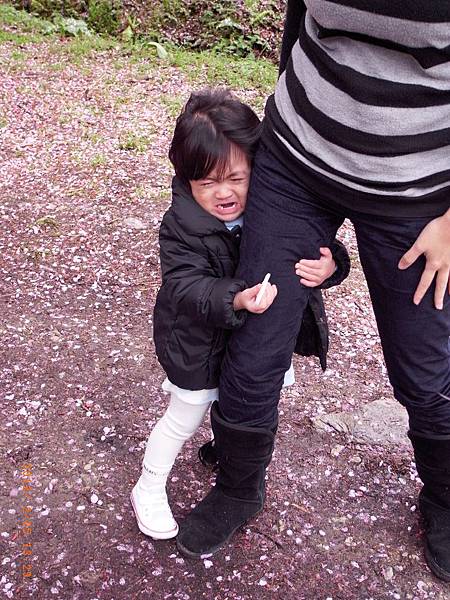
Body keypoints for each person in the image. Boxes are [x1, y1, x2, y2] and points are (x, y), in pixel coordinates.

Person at [176, 1, 450, 581]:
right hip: (297, 166)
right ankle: (238, 487)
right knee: (255, 340)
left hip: (420, 193)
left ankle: (446, 500)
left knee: (426, 373)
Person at [130, 88, 350, 540]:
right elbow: (185, 285)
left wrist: (332, 266)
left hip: (255, 340)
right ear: (186, 180)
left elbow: (309, 253)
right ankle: (148, 486)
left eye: (235, 178)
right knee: (184, 417)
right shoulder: (181, 225)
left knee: (246, 399)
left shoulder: (272, 214)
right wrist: (235, 297)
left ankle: (225, 450)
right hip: (199, 343)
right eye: (207, 183)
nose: (224, 193)